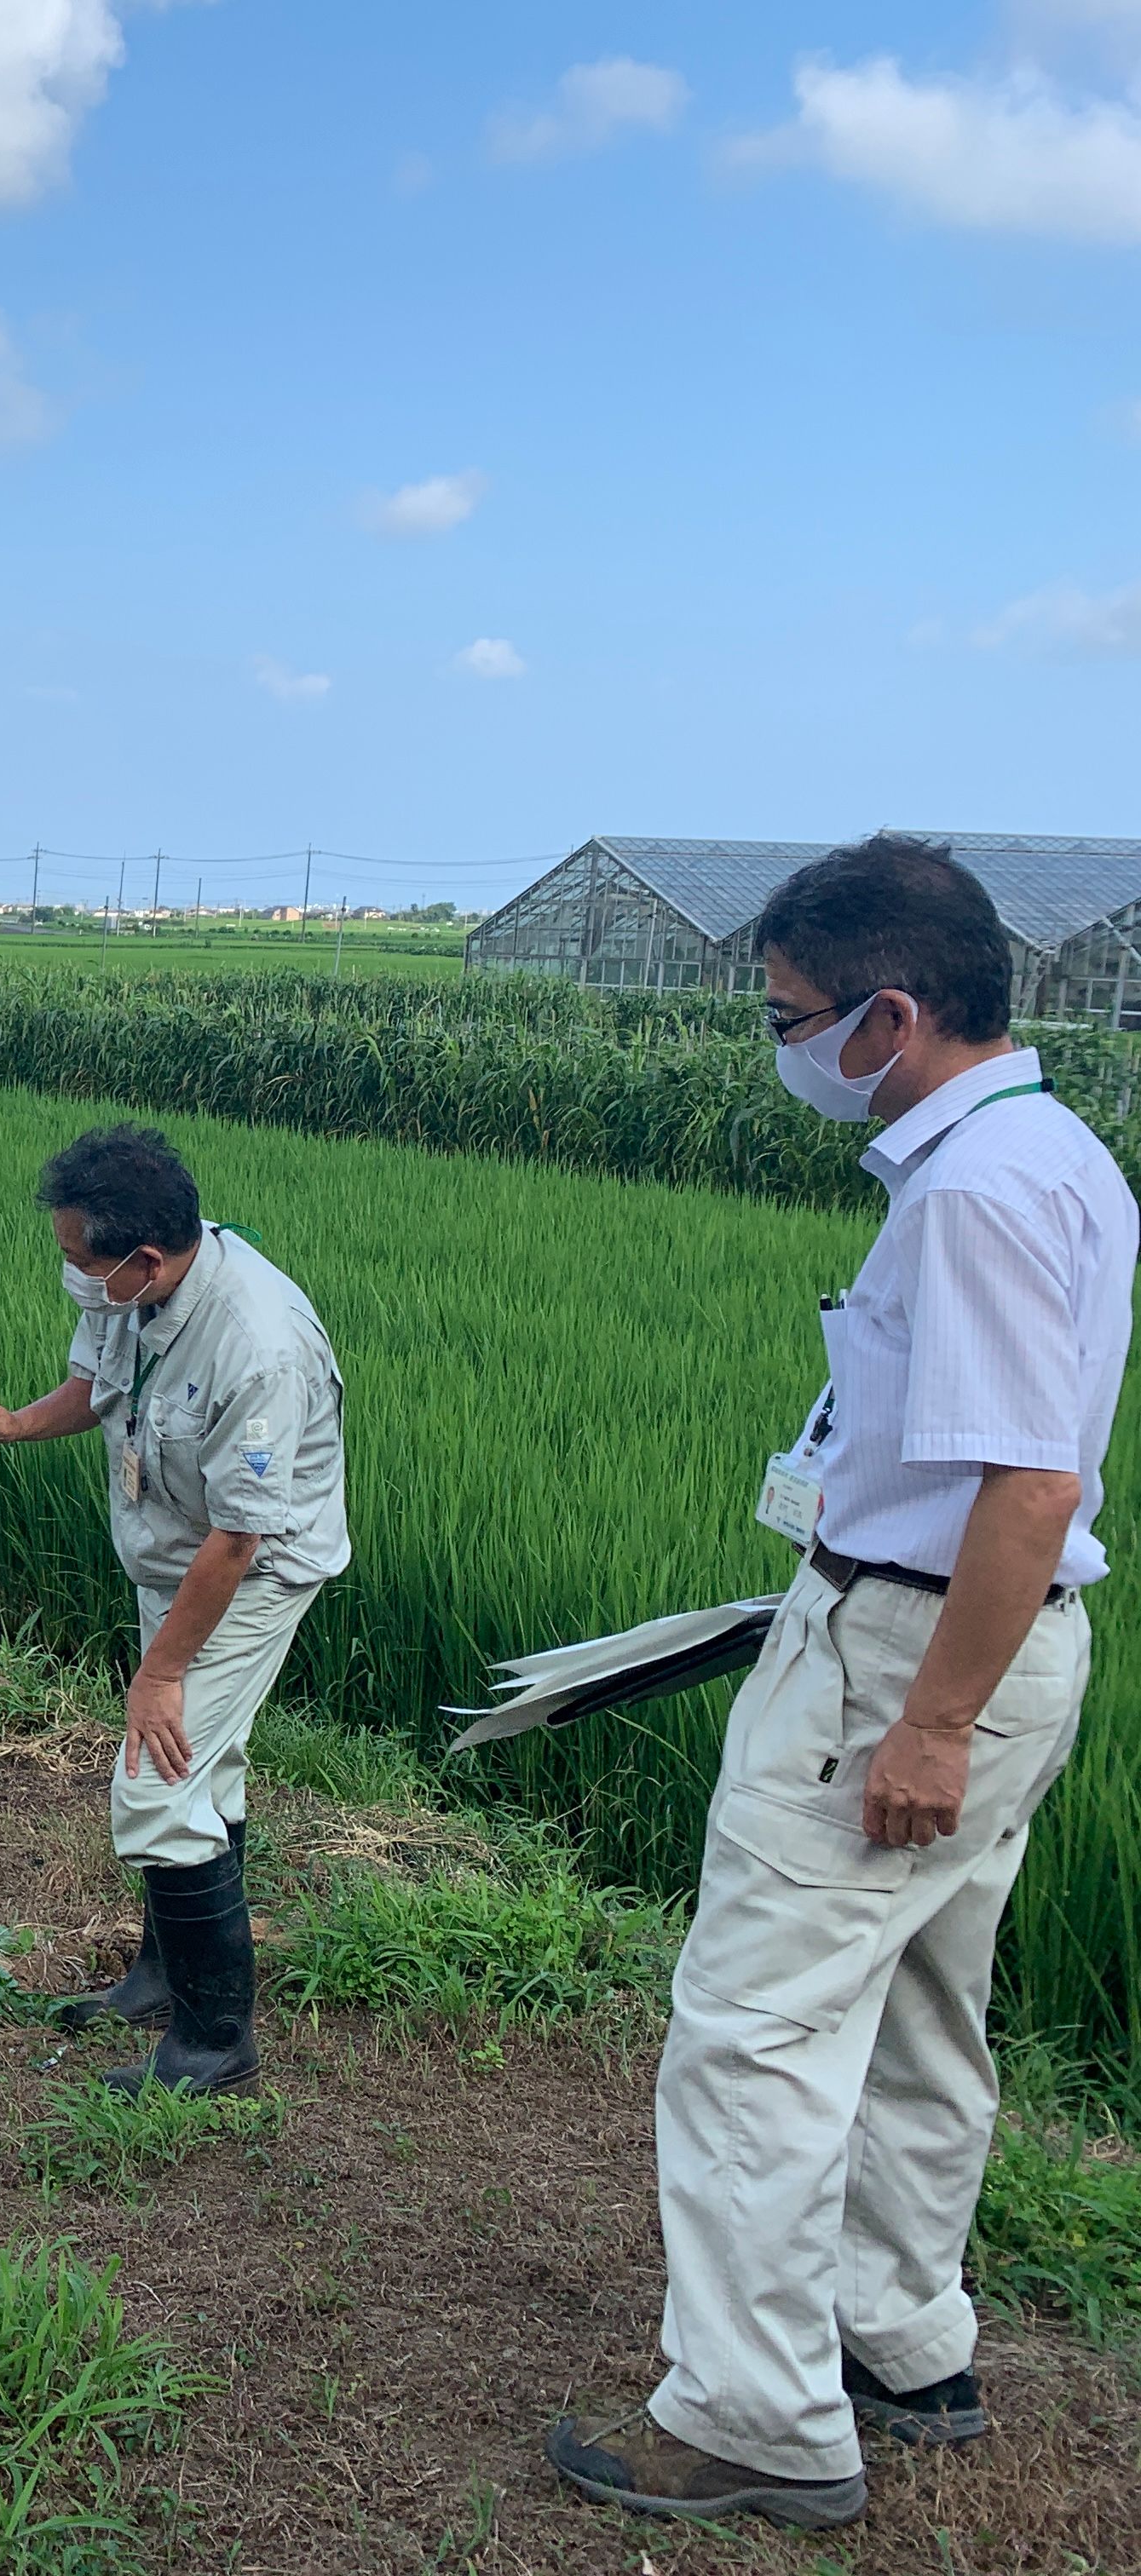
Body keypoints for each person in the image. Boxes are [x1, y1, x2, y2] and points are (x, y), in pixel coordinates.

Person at [545, 836, 1132, 2533]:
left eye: (797, 1018)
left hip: (916, 1655)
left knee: (753, 2033)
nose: (783, 1045)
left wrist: (930, 1720)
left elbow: (1028, 1487)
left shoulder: (974, 1191)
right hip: (969, 1645)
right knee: (925, 2006)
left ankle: (750, 2422)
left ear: (894, 1011)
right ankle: (902, 2341)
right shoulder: (1050, 1150)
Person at [0, 1121, 349, 2096]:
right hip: (176, 1557)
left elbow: (239, 1539)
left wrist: (159, 1676)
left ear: (146, 1257)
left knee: (155, 1788)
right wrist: (16, 1421)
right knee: (207, 1768)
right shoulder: (135, 1294)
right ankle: (164, 1976)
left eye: (82, 1258)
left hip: (251, 1570)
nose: (72, 1272)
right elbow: (101, 1385)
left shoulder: (260, 1346)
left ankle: (213, 2042)